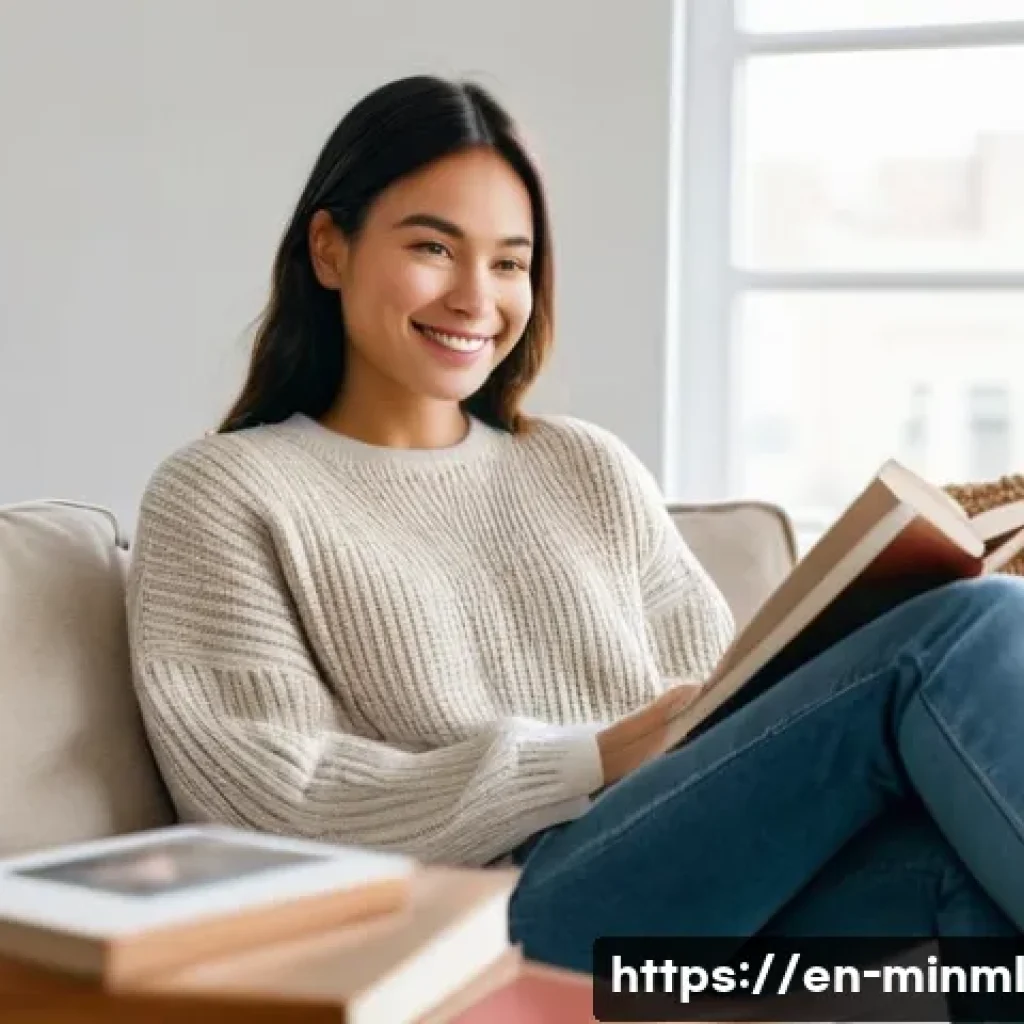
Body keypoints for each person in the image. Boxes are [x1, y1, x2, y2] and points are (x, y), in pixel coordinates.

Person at [127, 75, 1024, 986]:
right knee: (967, 631)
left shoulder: (584, 465)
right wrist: (585, 759)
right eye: (434, 247)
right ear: (329, 248)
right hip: (478, 915)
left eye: (510, 262)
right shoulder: (223, 492)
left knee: (963, 875)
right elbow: (267, 805)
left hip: (682, 876)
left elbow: (720, 708)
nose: (477, 298)